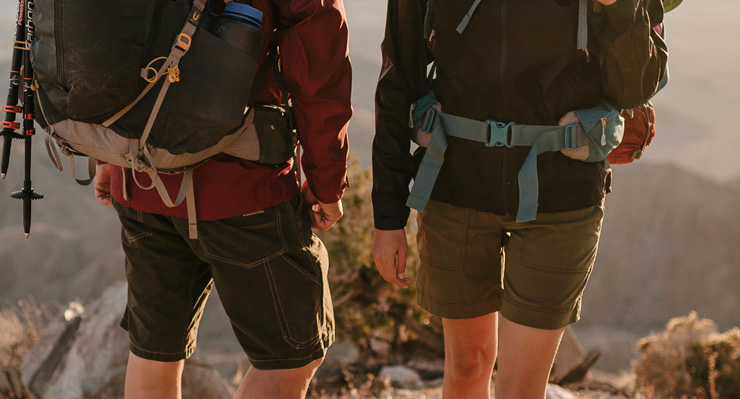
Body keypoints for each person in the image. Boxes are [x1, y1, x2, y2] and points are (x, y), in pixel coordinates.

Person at [371, 0, 667, 398]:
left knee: (521, 390)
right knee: (467, 365)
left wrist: (620, 8)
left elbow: (635, 88)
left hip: (561, 198)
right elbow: (397, 80)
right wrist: (387, 216)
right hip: (456, 188)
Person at [92, 1, 351, 398]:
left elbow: (100, 45)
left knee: (156, 350)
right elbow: (318, 67)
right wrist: (326, 179)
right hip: (241, 189)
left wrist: (107, 153)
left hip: (140, 179)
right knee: (291, 356)